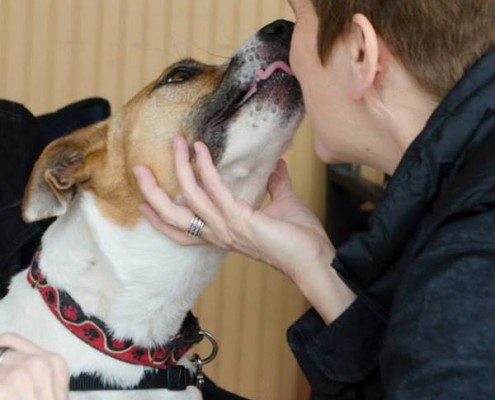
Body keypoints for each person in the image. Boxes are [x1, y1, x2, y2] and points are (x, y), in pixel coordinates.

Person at [2, 0, 495, 398]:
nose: (286, 36)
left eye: (299, 20)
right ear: (77, 170)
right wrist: (317, 265)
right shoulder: (460, 198)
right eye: (183, 76)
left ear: (362, 54)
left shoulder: (467, 262)